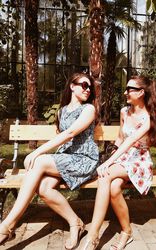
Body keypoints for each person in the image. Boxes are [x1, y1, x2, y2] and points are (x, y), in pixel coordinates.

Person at [0, 72, 99, 250]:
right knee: (43, 188)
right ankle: (75, 222)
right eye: (84, 85)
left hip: (84, 160)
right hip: (67, 158)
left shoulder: (89, 109)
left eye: (90, 87)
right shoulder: (61, 111)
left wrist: (36, 152)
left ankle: (7, 226)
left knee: (38, 162)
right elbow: (64, 139)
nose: (88, 89)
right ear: (72, 86)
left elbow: (69, 134)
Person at [83, 75, 156, 250]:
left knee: (105, 175)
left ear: (141, 92)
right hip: (122, 157)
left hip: (139, 161)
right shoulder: (124, 112)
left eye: (129, 89)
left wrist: (108, 164)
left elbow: (130, 141)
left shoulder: (147, 117)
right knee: (113, 188)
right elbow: (121, 138)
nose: (125, 92)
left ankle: (93, 235)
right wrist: (110, 155)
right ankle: (127, 232)